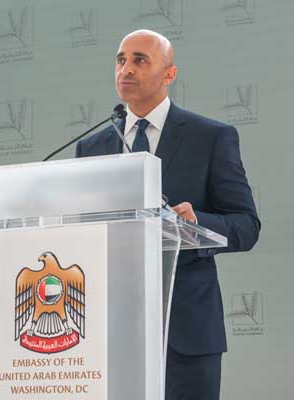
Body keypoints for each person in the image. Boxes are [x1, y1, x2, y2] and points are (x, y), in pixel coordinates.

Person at [75, 29, 261, 400]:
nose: (126, 69)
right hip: (109, 330)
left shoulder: (210, 137)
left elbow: (246, 225)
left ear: (169, 75)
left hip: (186, 331)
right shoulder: (91, 146)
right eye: (121, 60)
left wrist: (196, 222)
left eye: (140, 60)